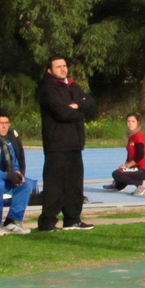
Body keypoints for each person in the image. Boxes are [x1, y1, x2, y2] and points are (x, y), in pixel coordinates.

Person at [37, 56, 95, 231]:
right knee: (55, 185)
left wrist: (76, 105)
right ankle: (47, 222)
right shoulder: (47, 88)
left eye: (64, 66)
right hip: (56, 144)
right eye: (58, 67)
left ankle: (72, 219)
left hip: (74, 144)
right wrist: (80, 111)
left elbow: (91, 103)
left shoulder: (72, 85)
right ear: (50, 70)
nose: (63, 69)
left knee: (74, 185)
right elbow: (62, 113)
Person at [103, 112, 145, 195]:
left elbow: (140, 155)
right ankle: (117, 186)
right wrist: (125, 164)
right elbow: (130, 155)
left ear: (138, 123)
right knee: (120, 177)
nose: (130, 124)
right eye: (128, 121)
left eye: (133, 121)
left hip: (142, 169)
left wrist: (128, 166)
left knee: (117, 174)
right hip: (134, 167)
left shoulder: (139, 136)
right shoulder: (131, 136)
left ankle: (142, 185)